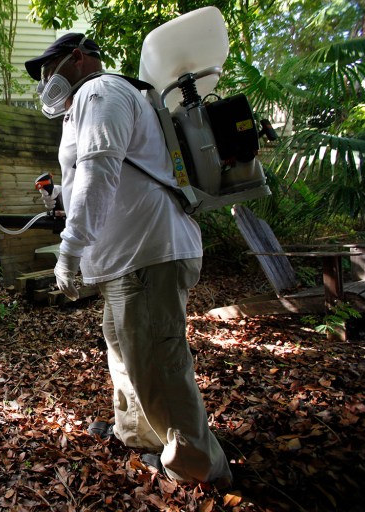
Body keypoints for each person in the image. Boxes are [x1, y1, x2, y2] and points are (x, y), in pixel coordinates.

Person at [24, 33, 232, 486]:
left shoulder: (99, 91)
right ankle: (139, 437)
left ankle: (198, 469)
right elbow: (101, 175)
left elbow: (100, 171)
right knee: (125, 355)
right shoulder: (94, 101)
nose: (45, 82)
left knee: (159, 362)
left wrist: (69, 251)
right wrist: (61, 197)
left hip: (146, 255)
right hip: (127, 261)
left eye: (48, 69)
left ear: (77, 58)